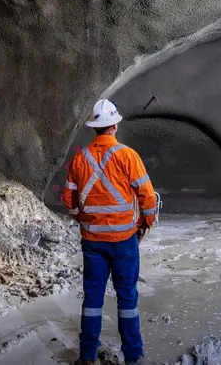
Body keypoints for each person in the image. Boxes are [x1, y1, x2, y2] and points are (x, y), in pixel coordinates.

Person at [62, 98, 157, 365]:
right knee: (127, 297)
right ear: (114, 125)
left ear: (95, 128)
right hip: (124, 241)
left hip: (92, 241)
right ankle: (133, 356)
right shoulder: (128, 156)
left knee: (92, 298)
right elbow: (147, 197)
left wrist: (83, 218)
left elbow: (69, 199)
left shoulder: (79, 158)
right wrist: (145, 224)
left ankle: (88, 356)